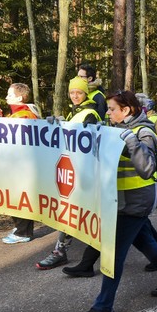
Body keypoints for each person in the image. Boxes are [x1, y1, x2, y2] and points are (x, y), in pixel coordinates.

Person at [73, 91, 157, 312]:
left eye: (112, 109)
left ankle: (103, 307)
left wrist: (130, 140)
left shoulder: (144, 132)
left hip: (136, 201)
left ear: (126, 110)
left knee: (113, 254)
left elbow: (147, 168)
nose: (108, 112)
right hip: (120, 200)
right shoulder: (115, 128)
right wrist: (62, 129)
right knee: (145, 241)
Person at [36, 77, 102, 269]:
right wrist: (54, 126)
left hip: (83, 172)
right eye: (72, 92)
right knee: (71, 211)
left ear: (85, 94)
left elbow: (86, 142)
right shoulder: (76, 112)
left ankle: (61, 251)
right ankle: (61, 251)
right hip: (71, 170)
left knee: (74, 212)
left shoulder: (90, 113)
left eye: (79, 92)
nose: (75, 96)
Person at [0, 83, 41, 244]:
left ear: (19, 98)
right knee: (15, 196)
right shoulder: (18, 114)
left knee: (19, 197)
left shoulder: (24, 116)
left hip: (20, 165)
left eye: (10, 95)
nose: (6, 97)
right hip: (16, 164)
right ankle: (21, 228)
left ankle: (23, 232)